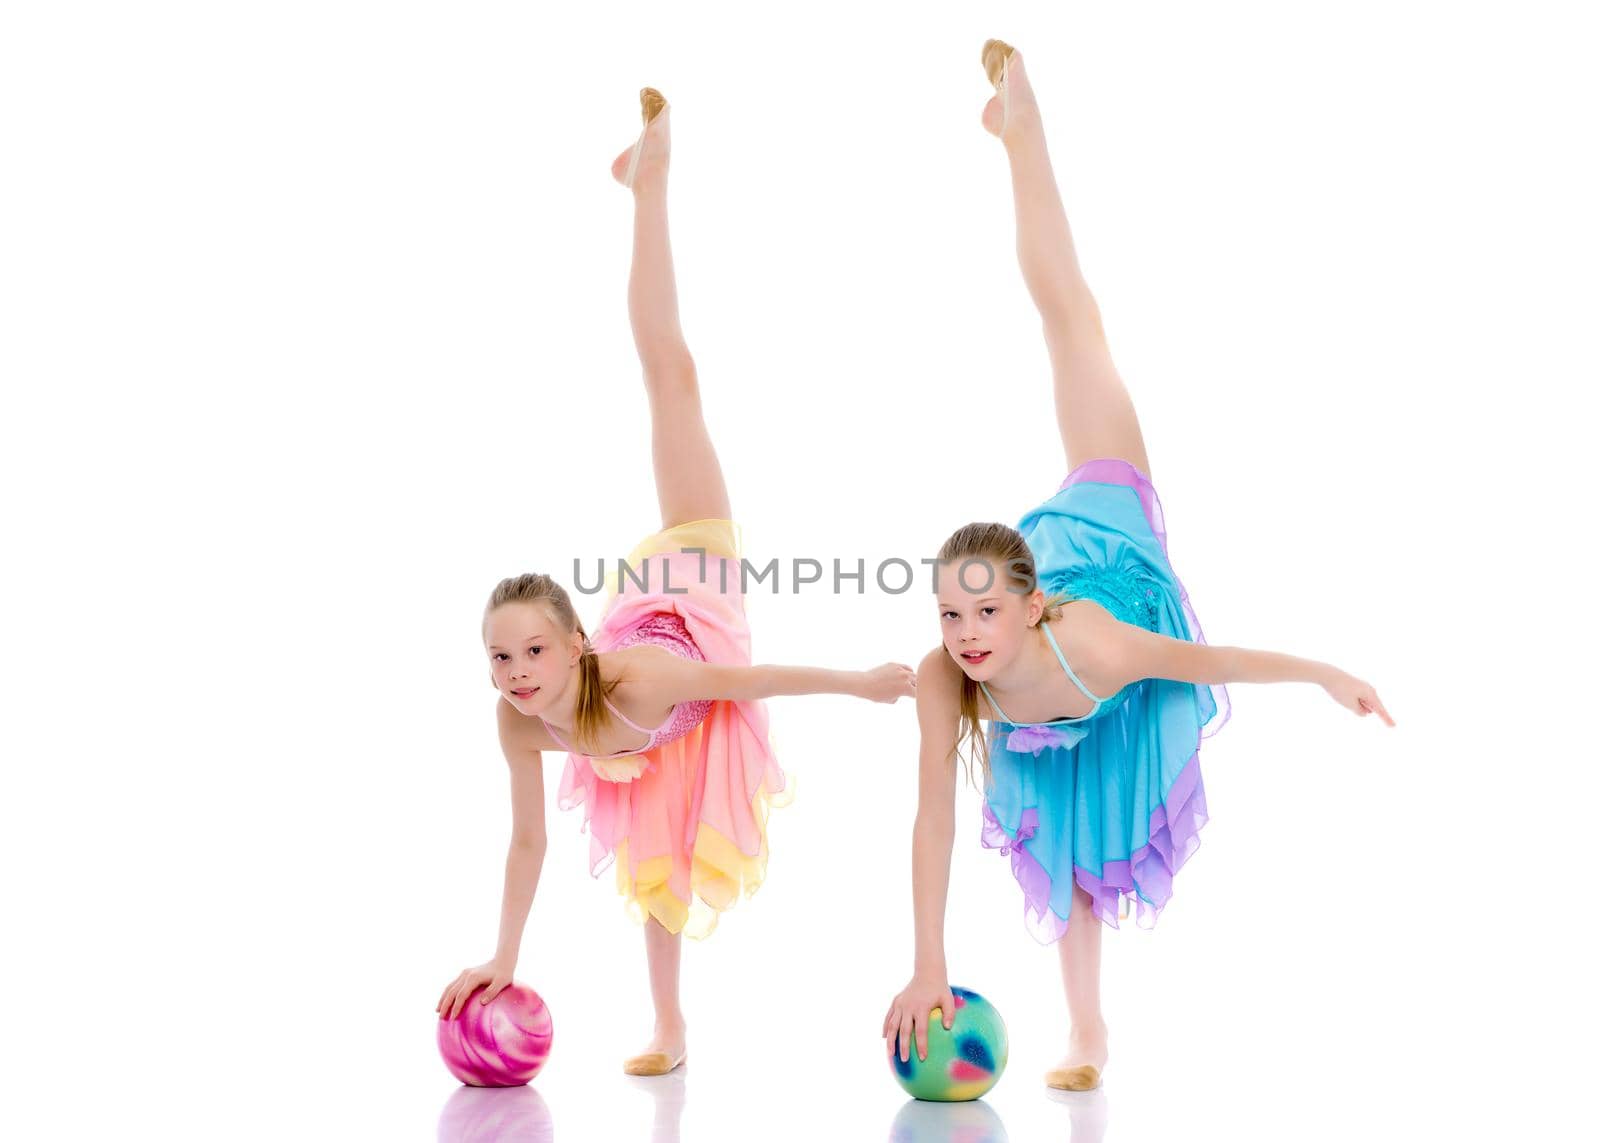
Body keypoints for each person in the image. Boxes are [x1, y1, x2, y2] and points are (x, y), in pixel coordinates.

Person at [883, 41, 1394, 1093]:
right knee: (1065, 856)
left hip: (1106, 532)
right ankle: (1089, 1034)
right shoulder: (951, 675)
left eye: (981, 616)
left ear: (1026, 610)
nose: (965, 638)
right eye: (948, 618)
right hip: (1049, 658)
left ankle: (1022, 129)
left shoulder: (1096, 641)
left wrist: (1323, 673)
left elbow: (1217, 662)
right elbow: (931, 812)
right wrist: (928, 959)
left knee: (1069, 319)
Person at [437, 89, 916, 1077]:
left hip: (689, 580)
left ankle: (650, 176)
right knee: (653, 864)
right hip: (645, 721)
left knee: (669, 370)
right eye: (500, 657)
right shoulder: (520, 720)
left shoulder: (639, 680)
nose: (516, 672)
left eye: (533, 650)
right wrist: (503, 956)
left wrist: (862, 685)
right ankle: (671, 1025)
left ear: (577, 647)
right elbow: (526, 845)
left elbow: (755, 681)